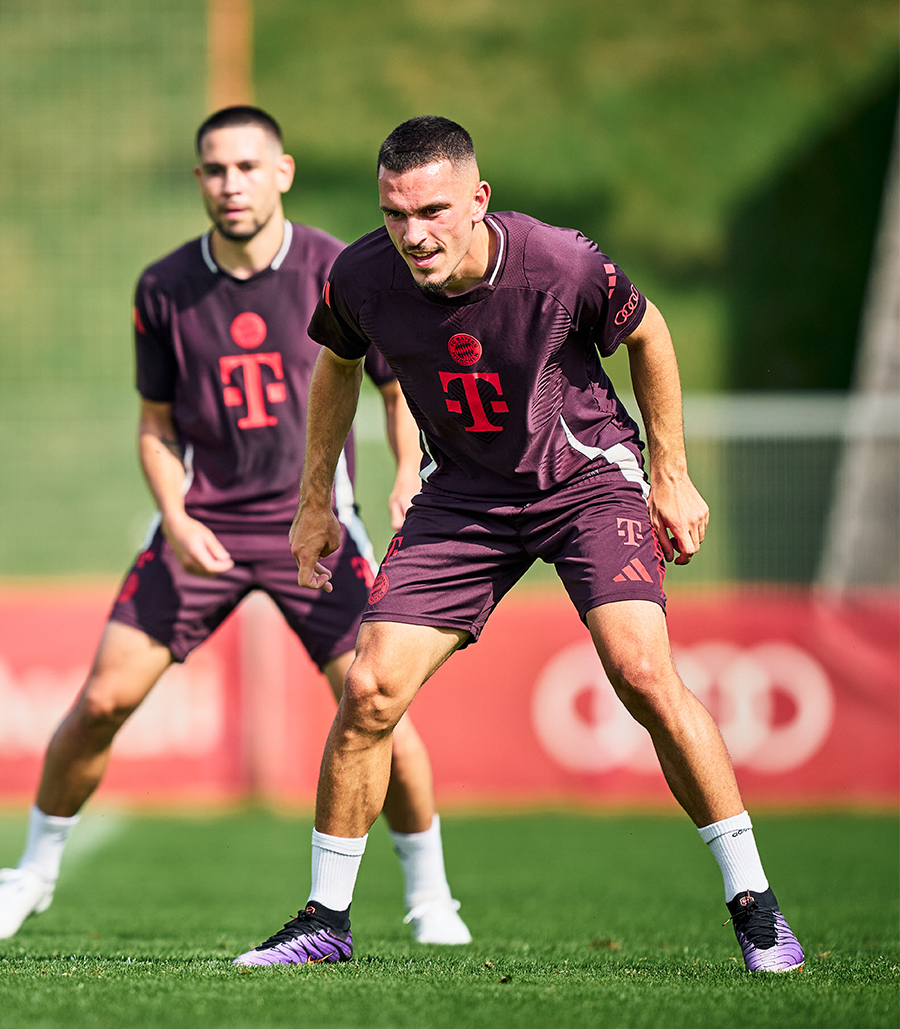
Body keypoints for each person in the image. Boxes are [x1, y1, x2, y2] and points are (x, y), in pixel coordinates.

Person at [236, 116, 804, 972]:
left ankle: (757, 906)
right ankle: (326, 921)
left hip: (586, 483)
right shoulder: (359, 276)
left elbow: (649, 334)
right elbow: (337, 364)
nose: (412, 233)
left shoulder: (559, 261)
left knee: (643, 674)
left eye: (432, 210)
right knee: (369, 688)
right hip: (463, 497)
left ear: (479, 199)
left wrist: (671, 473)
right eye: (394, 213)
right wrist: (314, 498)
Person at [0, 107, 471, 947]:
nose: (230, 184)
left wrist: (407, 478)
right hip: (204, 528)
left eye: (246, 166)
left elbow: (393, 388)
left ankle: (430, 896)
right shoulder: (163, 286)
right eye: (213, 169)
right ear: (199, 180)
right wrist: (173, 516)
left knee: (377, 705)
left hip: (319, 529)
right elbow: (155, 423)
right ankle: (30, 875)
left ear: (282, 172)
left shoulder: (339, 270)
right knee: (99, 701)